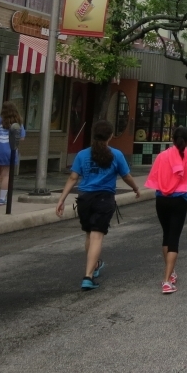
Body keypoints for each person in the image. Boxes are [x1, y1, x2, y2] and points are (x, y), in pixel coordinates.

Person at [54, 120, 141, 290]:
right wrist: (135, 188)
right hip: (104, 199)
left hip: (85, 199)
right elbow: (126, 176)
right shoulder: (116, 155)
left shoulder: (82, 155)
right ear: (110, 136)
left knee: (89, 235)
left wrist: (61, 199)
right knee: (96, 236)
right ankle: (88, 276)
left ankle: (93, 267)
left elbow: (73, 178)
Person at [145, 126, 187, 294]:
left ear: (172, 140)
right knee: (174, 238)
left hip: (161, 200)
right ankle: (166, 280)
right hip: (179, 201)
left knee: (166, 235)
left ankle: (171, 272)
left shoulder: (161, 157)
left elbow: (155, 178)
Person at [0, 101, 24, 206]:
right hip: (10, 151)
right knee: (6, 175)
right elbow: (22, 137)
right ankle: (2, 199)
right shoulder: (18, 123)